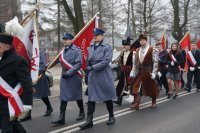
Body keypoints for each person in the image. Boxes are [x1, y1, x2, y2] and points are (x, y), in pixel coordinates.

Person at [79, 28, 117, 130]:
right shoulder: (91, 47)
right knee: (91, 98)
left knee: (107, 97)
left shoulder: (107, 47)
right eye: (94, 35)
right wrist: (87, 73)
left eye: (97, 35)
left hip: (104, 76)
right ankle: (89, 121)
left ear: (102, 36)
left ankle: (111, 116)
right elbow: (89, 61)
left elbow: (106, 61)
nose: (95, 37)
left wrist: (93, 67)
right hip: (93, 76)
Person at [0, 33, 33, 133]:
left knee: (6, 130)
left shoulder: (18, 60)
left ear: (7, 47)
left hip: (10, 103)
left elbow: (27, 83)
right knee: (14, 126)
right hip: (1, 102)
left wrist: (27, 103)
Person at [51, 33, 85, 125]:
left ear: (71, 40)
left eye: (67, 39)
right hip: (64, 76)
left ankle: (82, 112)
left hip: (74, 76)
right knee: (63, 97)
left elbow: (79, 64)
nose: (65, 41)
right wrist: (45, 67)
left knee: (77, 95)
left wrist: (69, 73)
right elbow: (55, 61)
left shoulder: (77, 50)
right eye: (64, 39)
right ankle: (62, 118)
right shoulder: (62, 51)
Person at [129, 34, 159, 110]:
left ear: (146, 40)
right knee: (137, 86)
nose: (142, 41)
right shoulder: (137, 50)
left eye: (143, 40)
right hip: (140, 71)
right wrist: (133, 71)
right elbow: (135, 63)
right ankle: (137, 103)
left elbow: (155, 62)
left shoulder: (152, 49)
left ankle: (154, 101)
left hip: (149, 71)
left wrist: (154, 73)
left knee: (151, 87)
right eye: (141, 40)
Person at [113, 37, 133, 106]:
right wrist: (113, 61)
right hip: (124, 72)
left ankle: (135, 99)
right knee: (121, 85)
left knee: (131, 86)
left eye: (126, 45)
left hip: (130, 72)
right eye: (124, 45)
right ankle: (119, 100)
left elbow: (134, 63)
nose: (124, 46)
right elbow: (118, 60)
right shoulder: (122, 53)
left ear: (129, 46)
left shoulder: (133, 53)